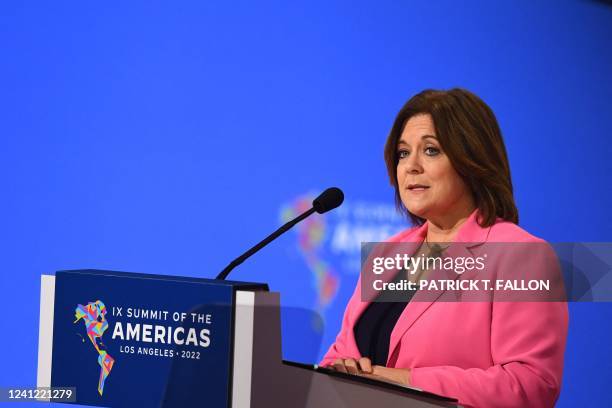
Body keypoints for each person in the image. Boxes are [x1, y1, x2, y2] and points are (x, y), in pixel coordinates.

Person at [320, 89, 568, 407]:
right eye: (403, 153)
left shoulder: (521, 256)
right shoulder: (387, 253)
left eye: (431, 151)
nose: (411, 166)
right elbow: (341, 355)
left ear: (472, 160)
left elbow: (530, 386)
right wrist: (340, 371)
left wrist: (399, 380)